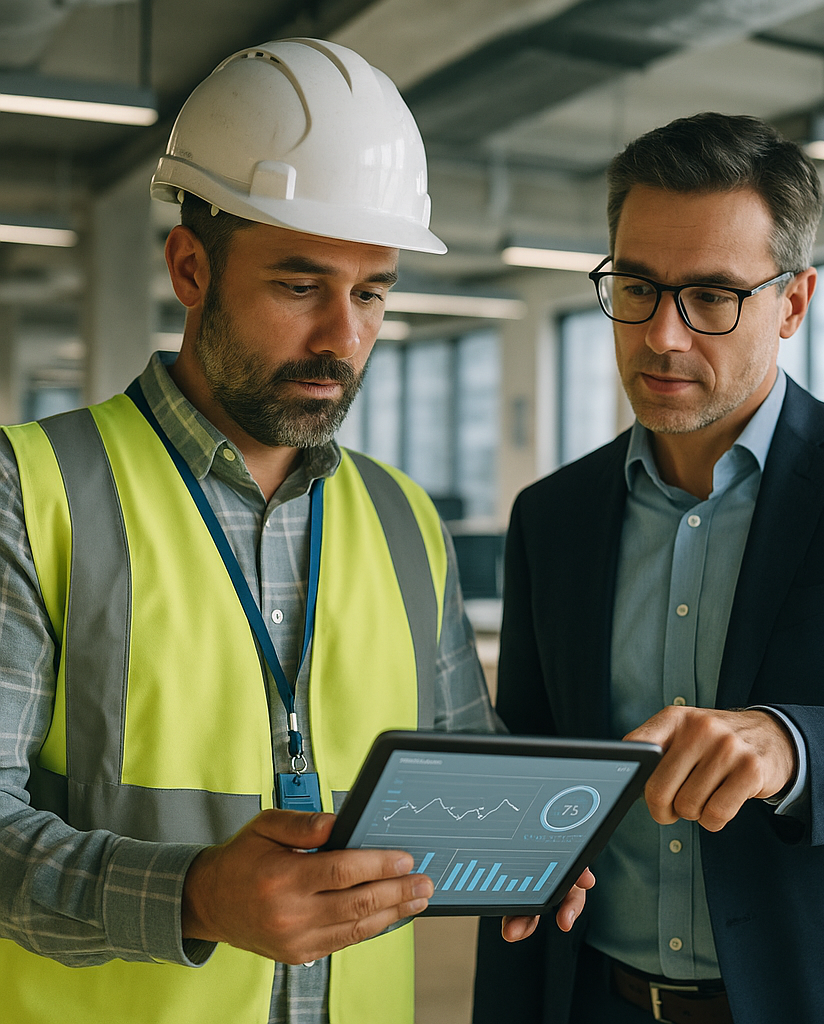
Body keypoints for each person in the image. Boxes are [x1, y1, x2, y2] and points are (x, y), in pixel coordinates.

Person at [0, 38, 588, 1024]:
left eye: (371, 292)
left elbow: (459, 772)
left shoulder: (405, 518)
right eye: (299, 285)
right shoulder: (31, 490)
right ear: (191, 268)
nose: (342, 338)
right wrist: (193, 896)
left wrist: (529, 848)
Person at [473, 112, 824, 1024]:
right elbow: (535, 764)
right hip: (599, 999)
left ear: (793, 303)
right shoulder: (552, 516)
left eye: (712, 296)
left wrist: (792, 748)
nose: (663, 335)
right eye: (638, 288)